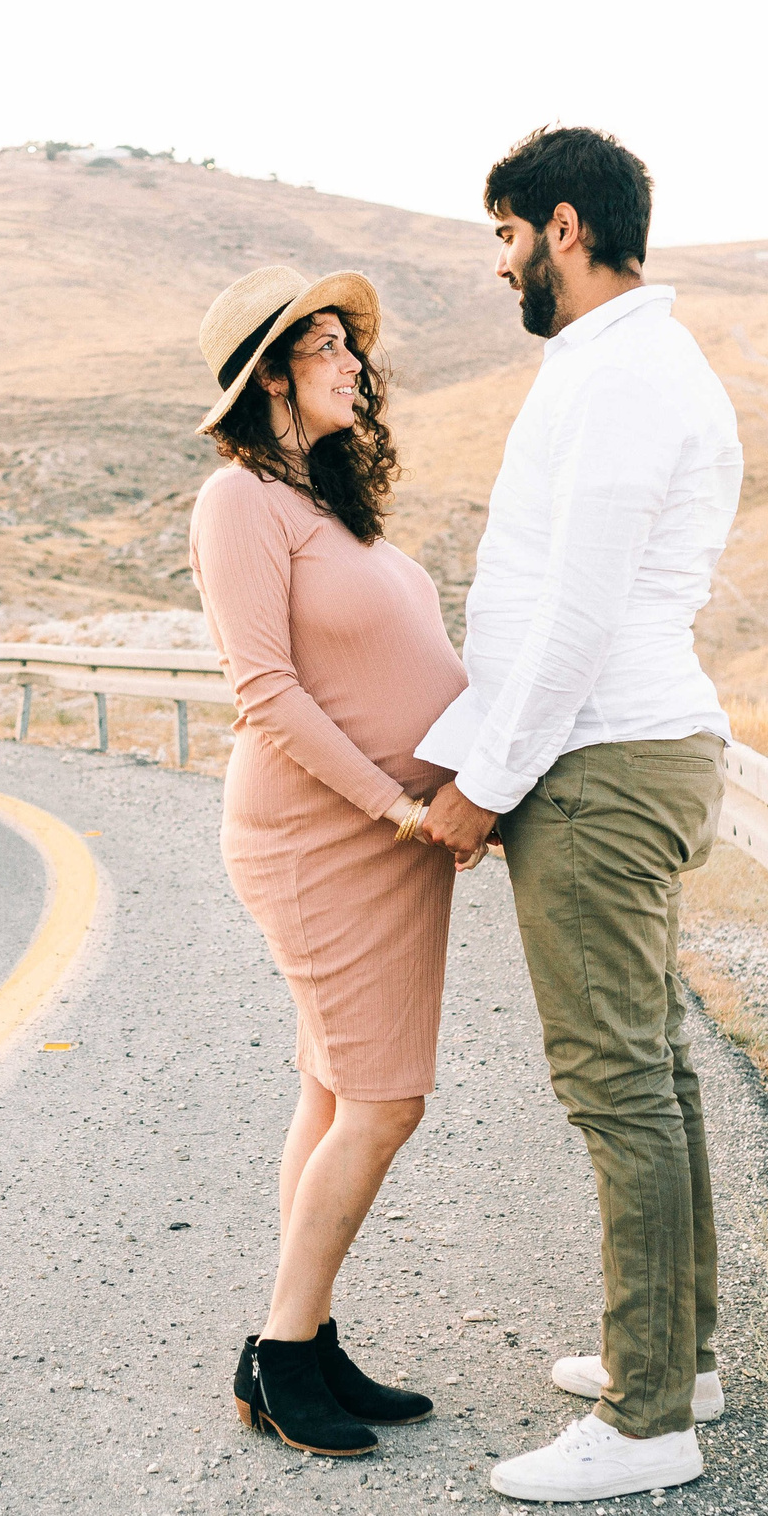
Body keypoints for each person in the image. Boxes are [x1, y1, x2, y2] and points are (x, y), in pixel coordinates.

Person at [412, 127, 745, 1503]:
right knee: (653, 1067)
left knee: (617, 1081)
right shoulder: (627, 366)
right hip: (620, 747)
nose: (500, 267)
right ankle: (678, 1352)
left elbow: (577, 614)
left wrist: (484, 781)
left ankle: (651, 1414)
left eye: (503, 237)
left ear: (560, 226)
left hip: (601, 761)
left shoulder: (623, 376)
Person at [186, 265, 472, 1459]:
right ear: (267, 375)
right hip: (323, 840)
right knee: (384, 1099)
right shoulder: (239, 502)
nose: (355, 360)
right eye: (323, 344)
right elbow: (266, 693)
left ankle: (300, 1339)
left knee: (332, 1091)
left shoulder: (330, 510)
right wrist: (398, 813)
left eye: (351, 343)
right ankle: (280, 1351)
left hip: (390, 841)